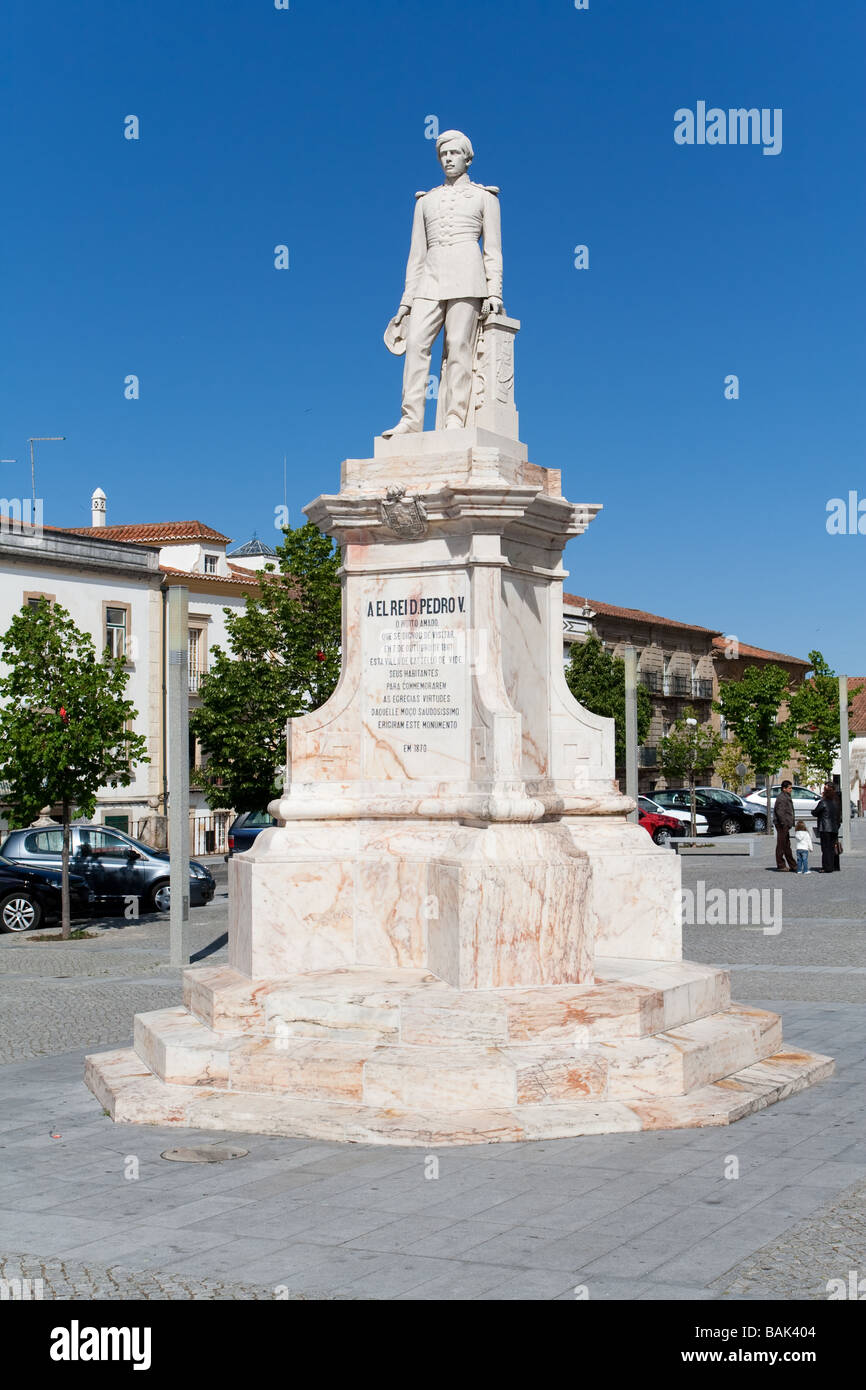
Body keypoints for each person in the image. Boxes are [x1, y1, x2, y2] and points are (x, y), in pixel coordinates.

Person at [382, 130, 503, 436]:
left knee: (458, 346)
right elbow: (416, 256)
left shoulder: (484, 198)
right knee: (416, 344)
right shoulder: (426, 201)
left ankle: (454, 417)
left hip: (468, 276)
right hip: (430, 279)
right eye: (443, 154)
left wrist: (495, 292)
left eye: (454, 153)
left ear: (467, 157)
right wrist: (405, 303)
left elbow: (493, 251)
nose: (448, 159)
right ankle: (411, 419)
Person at [813, 783, 842, 872]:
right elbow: (839, 816)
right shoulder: (836, 802)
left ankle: (827, 867)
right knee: (833, 847)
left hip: (825, 828)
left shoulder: (823, 802)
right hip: (834, 827)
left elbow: (815, 812)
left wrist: (813, 812)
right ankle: (834, 866)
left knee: (825, 848)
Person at [772, 779, 797, 872]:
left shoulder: (786, 796)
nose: (791, 790)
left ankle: (793, 865)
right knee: (781, 845)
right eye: (790, 788)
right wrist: (784, 823)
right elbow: (780, 812)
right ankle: (781, 865)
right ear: (784, 789)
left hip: (785, 824)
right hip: (782, 825)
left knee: (786, 845)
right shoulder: (782, 798)